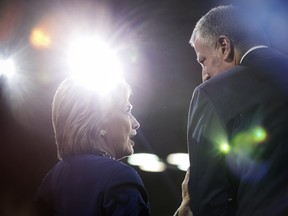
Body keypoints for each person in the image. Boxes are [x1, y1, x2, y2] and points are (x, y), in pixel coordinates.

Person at [176, 5, 288, 216]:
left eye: (203, 61)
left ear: (224, 46)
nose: (205, 75)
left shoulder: (211, 93)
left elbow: (207, 201)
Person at [34, 77, 151, 215]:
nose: (136, 123)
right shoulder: (120, 177)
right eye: (126, 111)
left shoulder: (50, 181)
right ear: (100, 123)